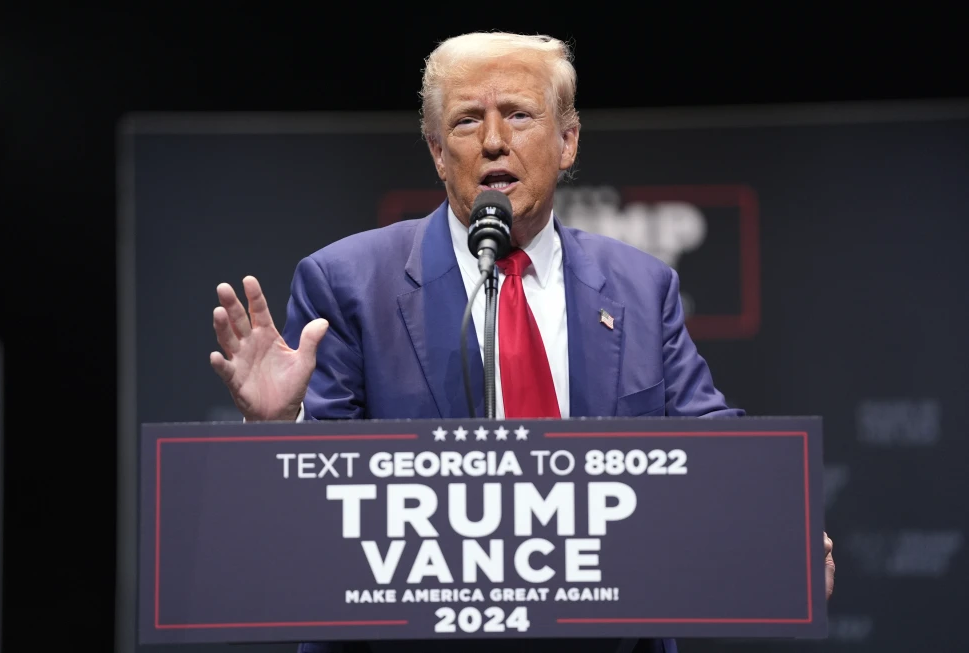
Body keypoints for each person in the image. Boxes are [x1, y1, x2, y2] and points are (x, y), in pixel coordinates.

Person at [209, 31, 835, 653]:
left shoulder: (642, 288)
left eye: (517, 114)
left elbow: (709, 444)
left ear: (568, 141)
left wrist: (778, 525)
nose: (492, 141)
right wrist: (277, 428)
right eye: (464, 122)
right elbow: (324, 517)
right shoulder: (348, 282)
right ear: (435, 151)